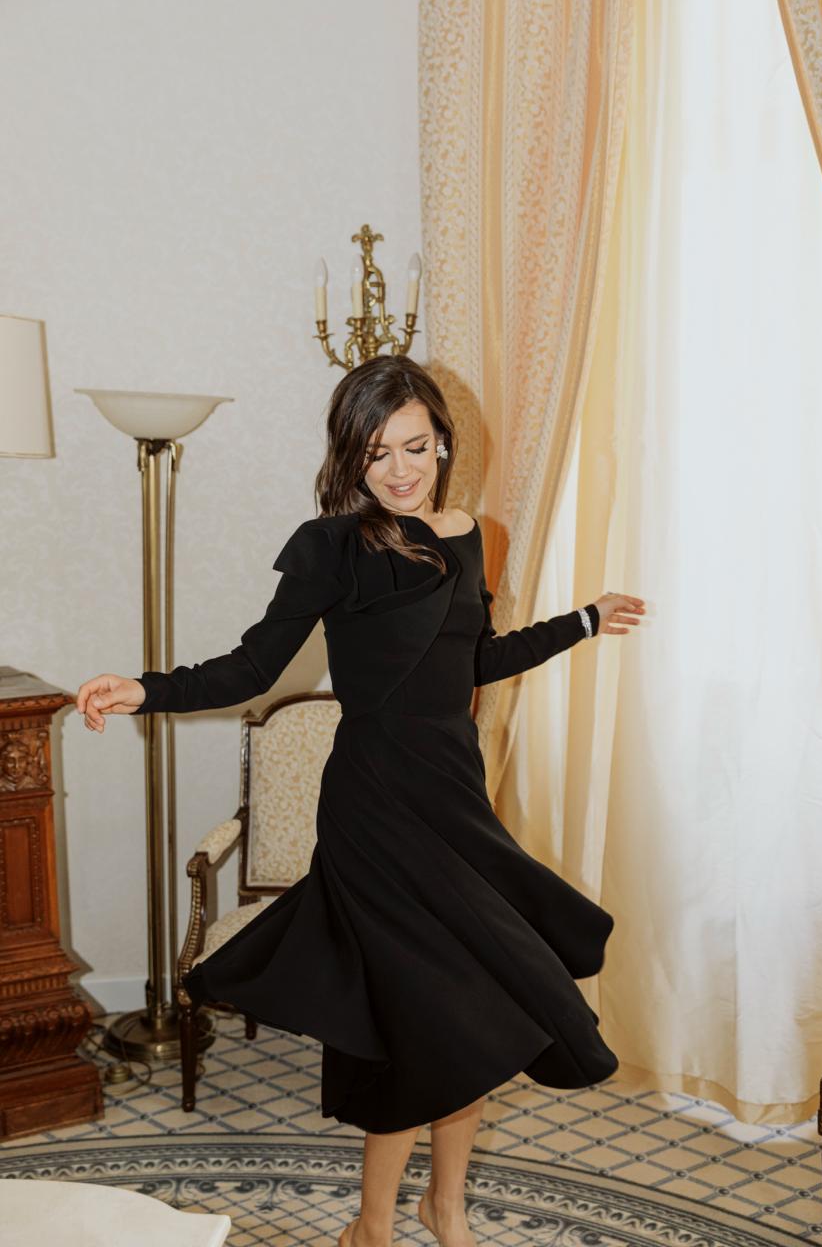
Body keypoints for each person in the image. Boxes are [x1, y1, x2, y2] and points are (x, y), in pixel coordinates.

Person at [77, 354, 645, 1247]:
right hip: (373, 807)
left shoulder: (471, 534)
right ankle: (371, 1225)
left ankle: (443, 1205)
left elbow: (474, 659)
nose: (399, 469)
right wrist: (144, 689)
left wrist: (582, 622)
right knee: (417, 1018)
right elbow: (253, 666)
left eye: (414, 446)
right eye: (376, 452)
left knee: (479, 1009)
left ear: (443, 441)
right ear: (351, 457)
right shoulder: (331, 547)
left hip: (452, 798)